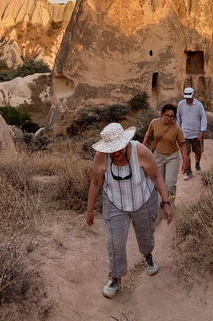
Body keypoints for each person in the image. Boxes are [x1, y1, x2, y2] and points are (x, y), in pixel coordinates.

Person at [86, 122, 175, 299]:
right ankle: (115, 278)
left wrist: (166, 202)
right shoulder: (101, 157)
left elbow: (156, 175)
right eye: (111, 150)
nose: (115, 153)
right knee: (115, 242)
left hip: (143, 198)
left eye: (118, 148)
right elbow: (96, 183)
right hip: (115, 202)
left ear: (126, 143)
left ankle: (148, 255)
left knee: (145, 233)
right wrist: (89, 211)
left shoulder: (140, 151)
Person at [142, 103, 188, 203]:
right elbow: (147, 136)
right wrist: (142, 148)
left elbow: (182, 145)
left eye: (172, 116)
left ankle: (171, 205)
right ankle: (161, 204)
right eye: (167, 115)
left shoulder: (177, 128)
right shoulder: (154, 122)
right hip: (158, 156)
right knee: (158, 183)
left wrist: (185, 161)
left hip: (172, 157)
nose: (169, 118)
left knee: (170, 184)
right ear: (162, 113)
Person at [176, 87, 207, 180]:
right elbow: (178, 118)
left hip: (196, 132)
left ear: (193, 95)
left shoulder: (199, 105)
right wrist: (177, 131)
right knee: (186, 152)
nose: (188, 99)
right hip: (185, 133)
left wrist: (202, 131)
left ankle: (197, 165)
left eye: (189, 97)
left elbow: (203, 118)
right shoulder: (181, 105)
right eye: (186, 97)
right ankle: (189, 171)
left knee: (198, 151)